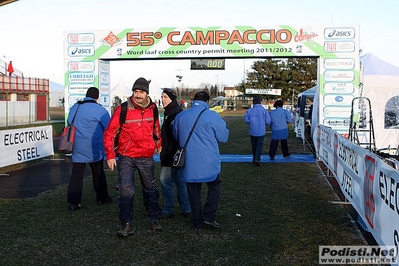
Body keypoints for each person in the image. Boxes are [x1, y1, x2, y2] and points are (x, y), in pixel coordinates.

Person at [103, 77, 163, 237]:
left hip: (146, 156)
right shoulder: (123, 109)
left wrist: (158, 144)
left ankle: (153, 218)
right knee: (125, 190)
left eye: (141, 92)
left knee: (150, 189)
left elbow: (156, 128)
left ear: (147, 93)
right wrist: (110, 155)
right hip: (126, 157)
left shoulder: (154, 109)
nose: (137, 95)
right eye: (135, 91)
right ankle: (127, 223)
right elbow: (109, 132)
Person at [173, 91, 229, 230]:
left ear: (193, 100)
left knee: (193, 190)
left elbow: (176, 135)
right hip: (209, 160)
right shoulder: (212, 116)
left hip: (189, 161)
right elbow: (223, 138)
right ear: (207, 101)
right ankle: (209, 216)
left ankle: (196, 220)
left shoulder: (181, 116)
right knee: (214, 186)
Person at [67, 87, 112, 211]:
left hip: (77, 146)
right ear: (97, 97)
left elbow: (69, 121)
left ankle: (74, 202)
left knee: (76, 174)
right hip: (94, 148)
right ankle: (102, 197)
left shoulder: (76, 107)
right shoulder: (100, 110)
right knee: (98, 173)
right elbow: (109, 127)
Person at [158, 88, 191, 219]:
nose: (162, 99)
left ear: (172, 98)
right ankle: (184, 208)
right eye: (162, 97)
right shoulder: (168, 112)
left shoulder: (176, 113)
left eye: (165, 97)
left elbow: (178, 135)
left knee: (168, 180)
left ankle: (173, 208)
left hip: (174, 153)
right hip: (171, 152)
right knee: (178, 181)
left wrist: (171, 151)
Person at [243, 97, 271, 166]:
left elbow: (246, 119)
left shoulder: (249, 111)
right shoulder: (264, 111)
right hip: (261, 131)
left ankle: (254, 157)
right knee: (259, 145)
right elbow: (268, 121)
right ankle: (257, 158)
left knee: (254, 145)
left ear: (253, 102)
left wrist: (251, 122)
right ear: (260, 102)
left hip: (252, 130)